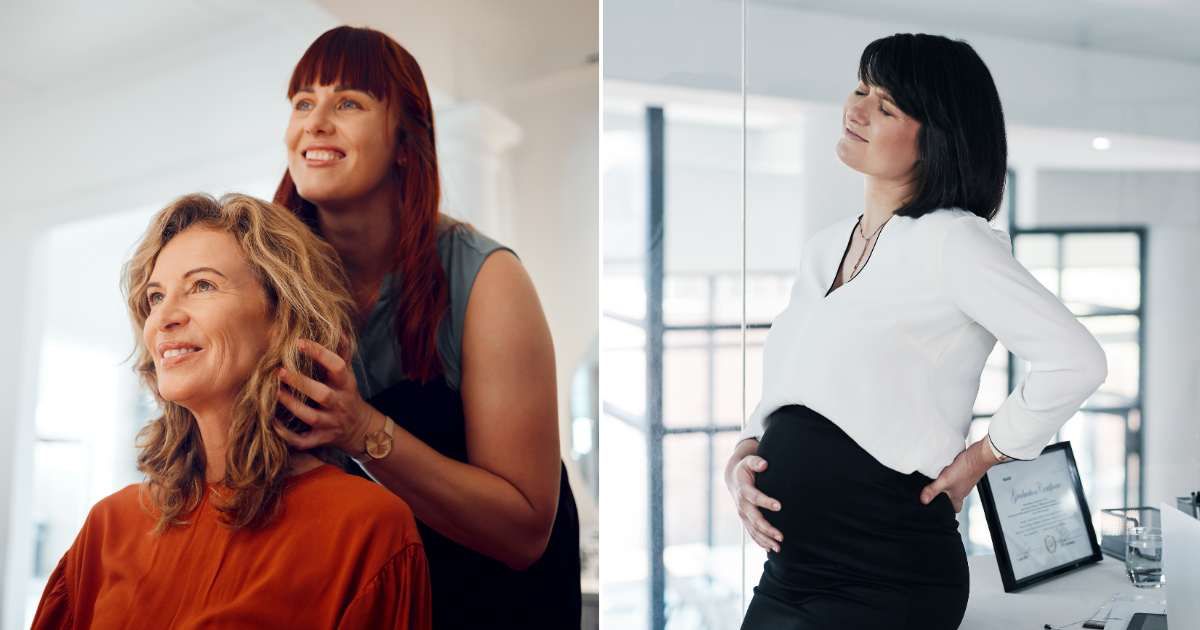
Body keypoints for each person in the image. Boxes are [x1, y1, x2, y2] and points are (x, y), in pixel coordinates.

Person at [726, 33, 1108, 630]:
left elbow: (1077, 360)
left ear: (937, 138)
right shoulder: (826, 246)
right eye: (860, 89)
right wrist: (743, 455)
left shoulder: (954, 241)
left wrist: (983, 456)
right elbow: (792, 382)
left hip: (884, 571)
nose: (856, 110)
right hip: (791, 571)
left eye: (885, 107)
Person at [268, 26, 581, 627]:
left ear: (406, 143)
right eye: (303, 102)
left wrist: (361, 429)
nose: (316, 123)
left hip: (497, 602)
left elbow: (524, 532)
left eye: (349, 102)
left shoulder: (488, 279)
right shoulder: (269, 285)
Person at [31, 193, 431, 629]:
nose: (164, 317)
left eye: (202, 285)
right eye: (155, 297)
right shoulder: (109, 526)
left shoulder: (366, 528)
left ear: (282, 317)